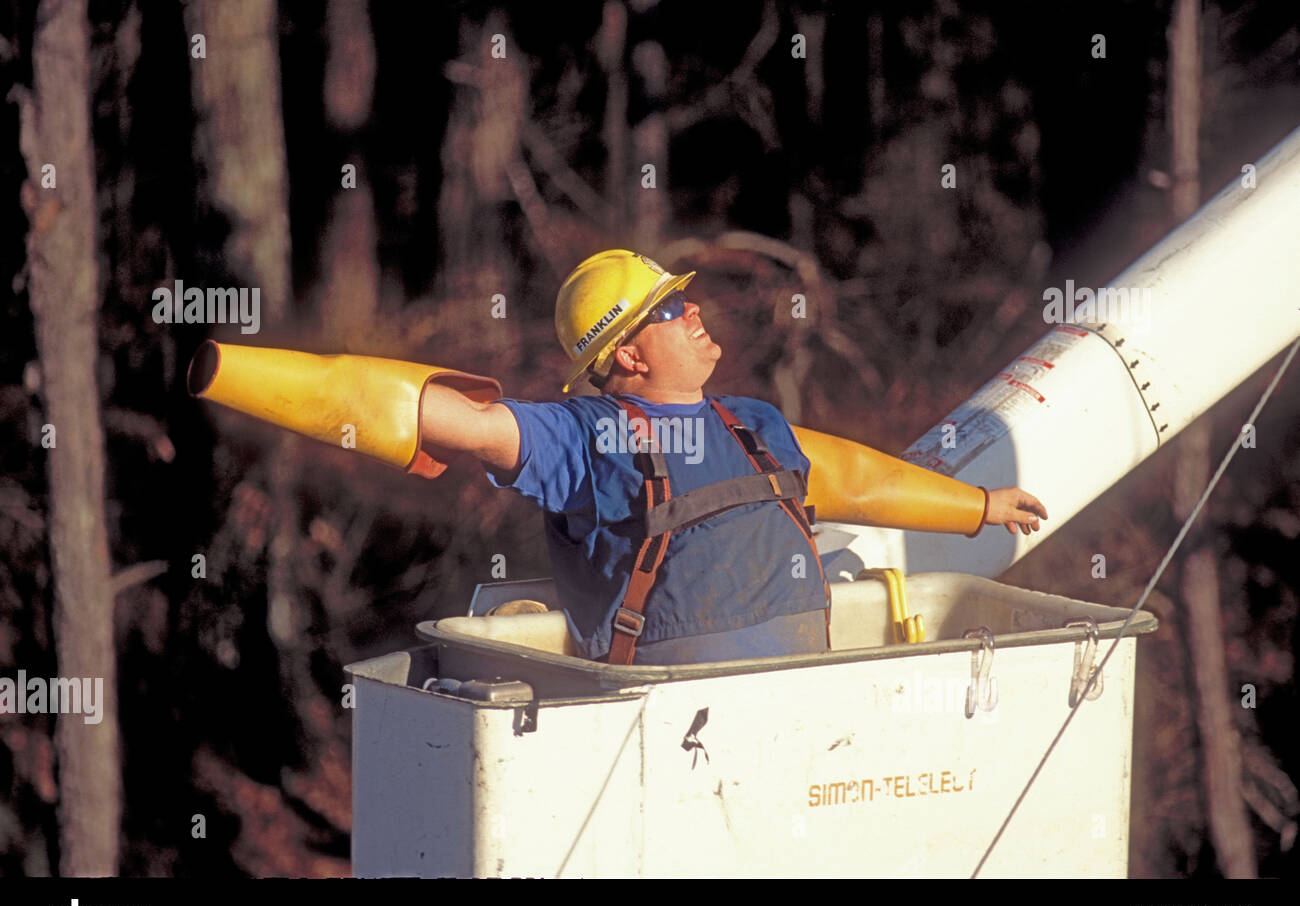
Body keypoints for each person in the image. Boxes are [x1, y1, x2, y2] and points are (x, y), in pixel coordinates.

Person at [412, 249, 1049, 665]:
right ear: (629, 356)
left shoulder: (752, 422)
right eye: (666, 307)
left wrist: (980, 505)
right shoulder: (585, 436)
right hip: (666, 732)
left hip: (796, 708)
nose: (692, 309)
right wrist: (313, 382)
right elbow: (463, 424)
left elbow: (853, 480)